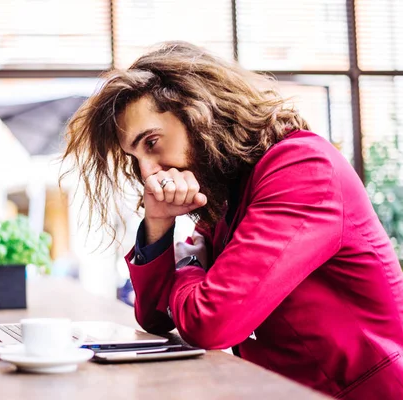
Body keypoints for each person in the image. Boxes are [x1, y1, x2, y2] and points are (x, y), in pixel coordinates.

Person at [61, 41, 403, 399]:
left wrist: (190, 262)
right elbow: (156, 318)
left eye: (152, 143)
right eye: (135, 158)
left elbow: (209, 323)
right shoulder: (227, 191)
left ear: (198, 111)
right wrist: (159, 222)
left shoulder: (303, 169)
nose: (148, 173)